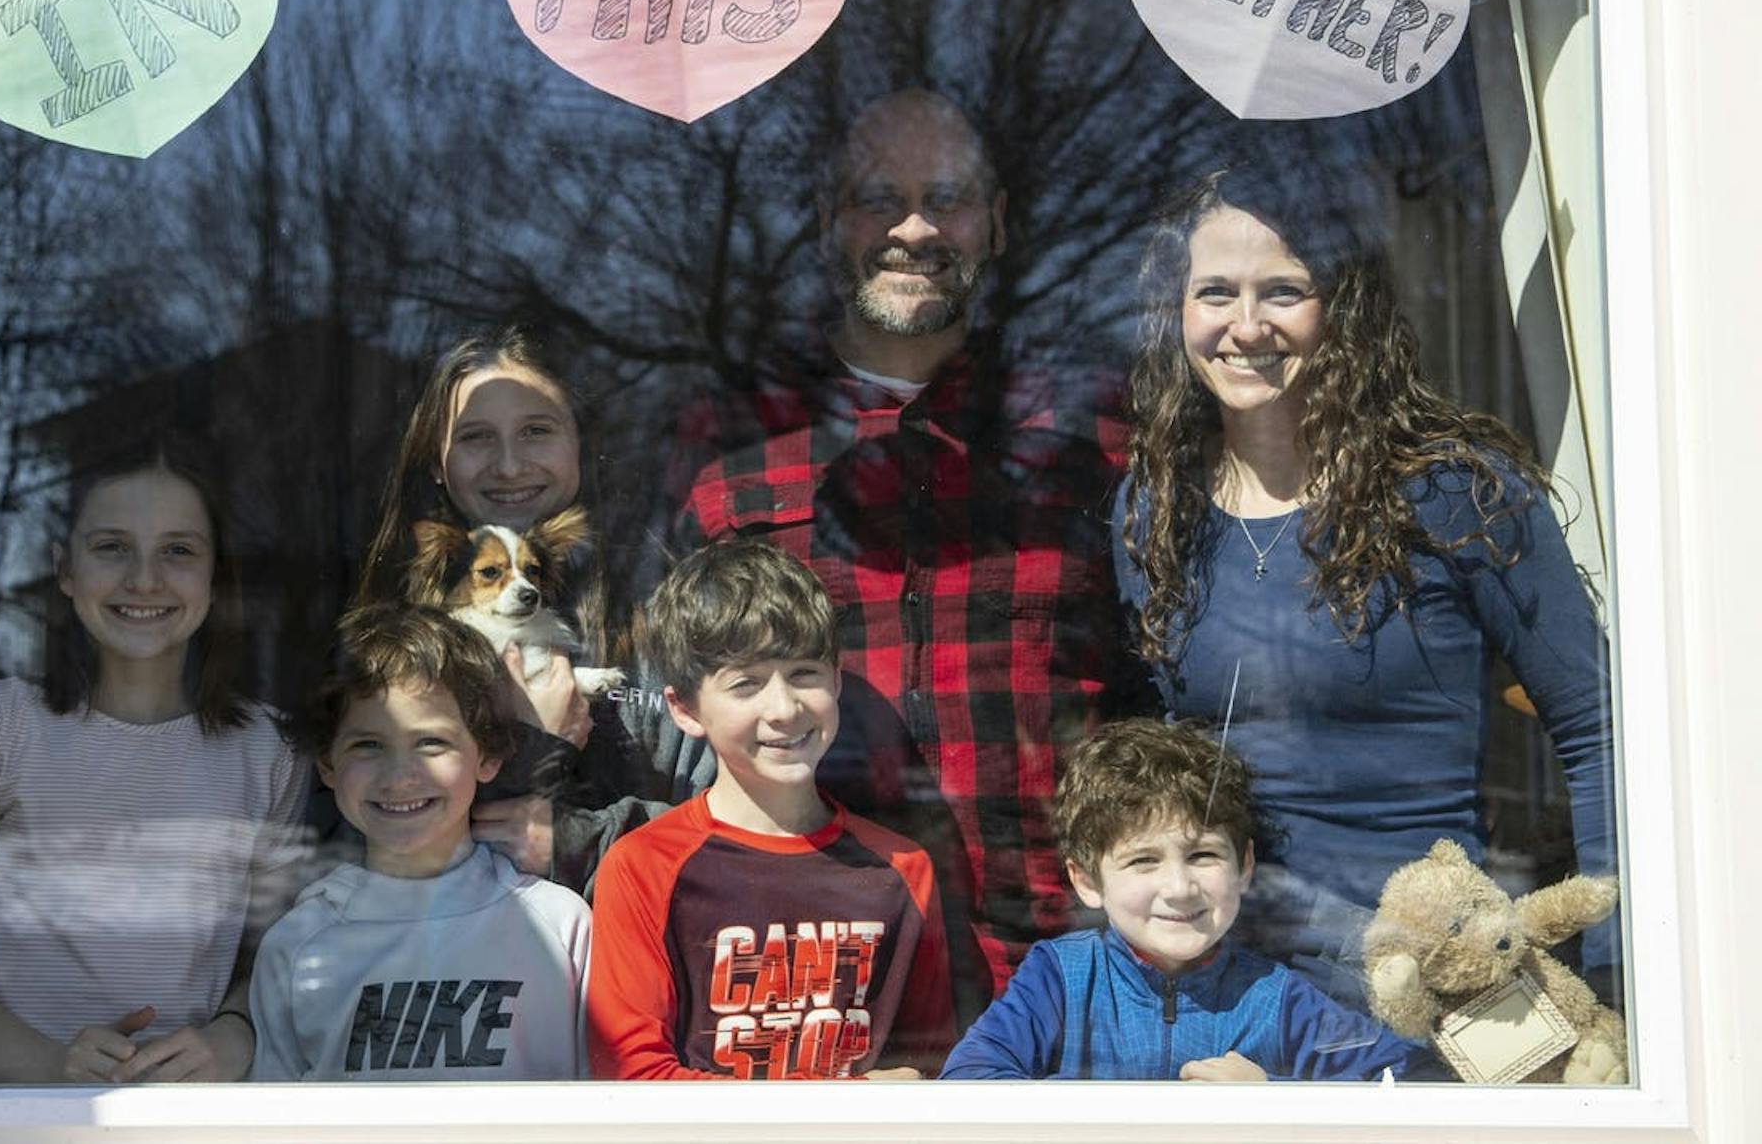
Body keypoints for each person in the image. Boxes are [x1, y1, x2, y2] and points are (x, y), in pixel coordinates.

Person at [1110, 162, 1617, 1003]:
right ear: (1176, 312)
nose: (1246, 325)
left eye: (1283, 290)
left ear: (1343, 304)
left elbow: (1599, 733)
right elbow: (1177, 757)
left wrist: (1616, 978)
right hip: (1227, 989)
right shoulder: (1152, 510)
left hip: (1434, 990)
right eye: (1215, 293)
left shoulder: (1454, 491)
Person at [665, 88, 1128, 1008]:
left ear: (995, 224)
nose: (914, 228)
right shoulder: (732, 447)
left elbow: (1164, 694)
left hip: (1067, 972)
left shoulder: (1091, 443)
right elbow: (671, 725)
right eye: (880, 198)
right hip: (808, 975)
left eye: (948, 197)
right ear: (829, 221)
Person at [0, 436, 307, 1083]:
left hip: (184, 1124)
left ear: (216, 574)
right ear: (65, 569)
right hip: (9, 1124)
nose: (144, 578)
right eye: (112, 546)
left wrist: (234, 1032)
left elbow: (273, 956)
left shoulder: (270, 750)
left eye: (178, 550)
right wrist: (55, 1065)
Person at [357, 327, 715, 890]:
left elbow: (731, 828)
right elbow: (355, 831)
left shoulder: (667, 608)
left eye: (536, 431)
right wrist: (527, 753)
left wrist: (580, 841)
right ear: (435, 462)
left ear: (580, 440)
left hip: (633, 949)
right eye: (475, 436)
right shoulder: (390, 634)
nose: (509, 465)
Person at [586, 541, 955, 1080]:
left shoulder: (904, 870)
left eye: (803, 673)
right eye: (746, 684)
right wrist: (839, 1099)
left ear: (836, 677)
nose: (783, 709)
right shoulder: (643, 866)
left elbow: (930, 1067)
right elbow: (635, 1079)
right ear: (684, 708)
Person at [941, 719, 1417, 1081]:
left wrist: (1276, 1098)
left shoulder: (1277, 997)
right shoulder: (1060, 977)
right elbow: (969, 1079)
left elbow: (1401, 1080)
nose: (1179, 887)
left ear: (1245, 866)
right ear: (1087, 881)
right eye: (1143, 861)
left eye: (1204, 854)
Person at [249, 604, 591, 1081]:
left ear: (487, 755)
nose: (401, 776)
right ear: (327, 763)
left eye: (432, 743)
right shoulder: (296, 945)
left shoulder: (562, 925)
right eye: (368, 745)